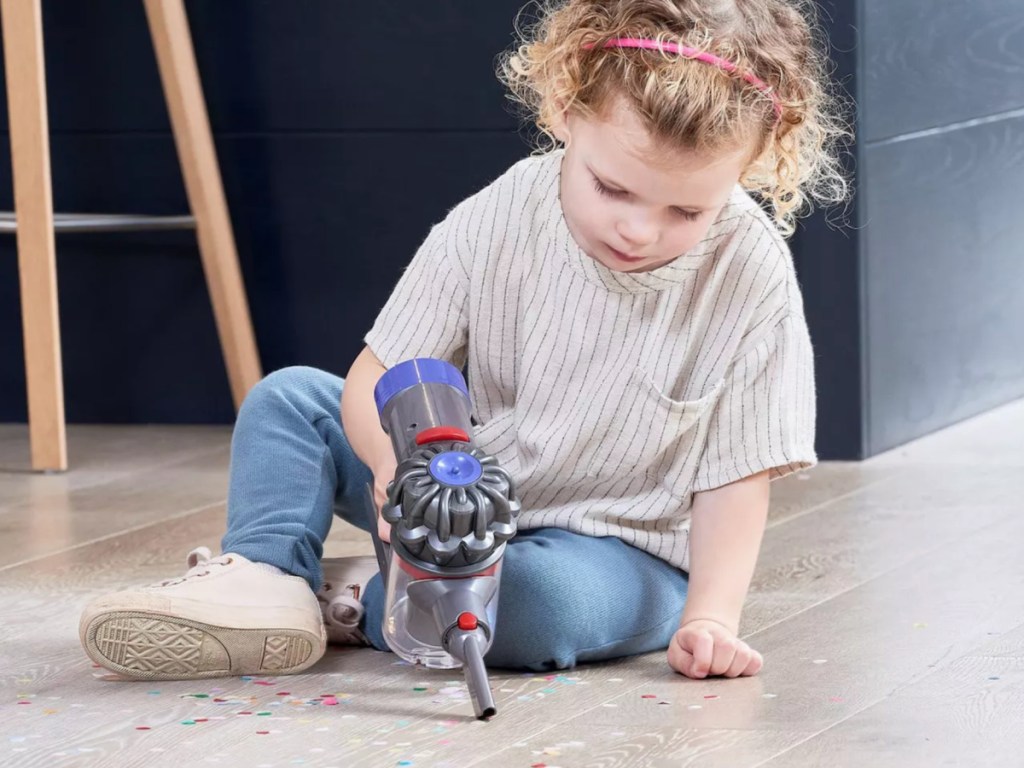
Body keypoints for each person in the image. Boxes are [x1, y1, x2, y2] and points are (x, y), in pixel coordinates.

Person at [79, 0, 850, 681]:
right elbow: (380, 371)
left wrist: (710, 619)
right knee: (291, 402)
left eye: (687, 212)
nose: (639, 229)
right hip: (462, 493)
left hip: (618, 551)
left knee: (534, 610)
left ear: (755, 164)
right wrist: (390, 470)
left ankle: (361, 597)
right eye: (612, 187)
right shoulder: (502, 211)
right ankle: (267, 578)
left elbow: (736, 475)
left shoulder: (750, 272)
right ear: (563, 110)